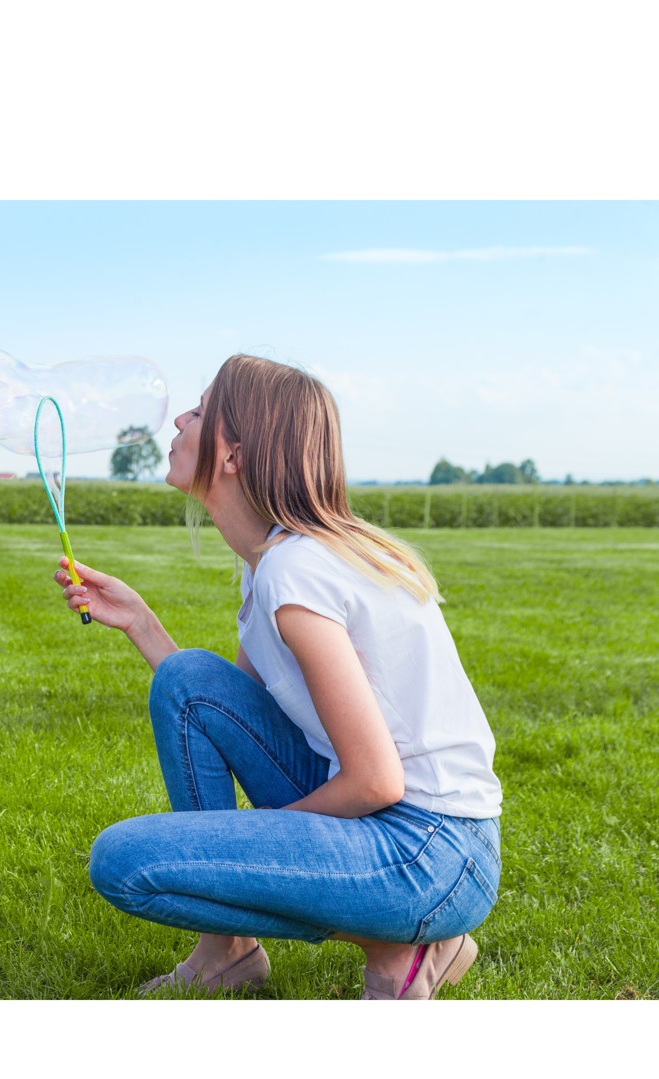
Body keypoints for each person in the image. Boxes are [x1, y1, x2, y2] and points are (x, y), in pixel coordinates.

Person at [54, 355, 502, 999]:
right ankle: (227, 952)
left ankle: (399, 945)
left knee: (123, 862)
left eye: (198, 412)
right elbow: (225, 711)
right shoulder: (271, 562)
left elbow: (376, 780)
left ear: (233, 455)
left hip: (430, 852)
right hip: (410, 831)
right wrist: (141, 624)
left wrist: (269, 843)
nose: (178, 421)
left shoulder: (297, 571)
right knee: (187, 677)